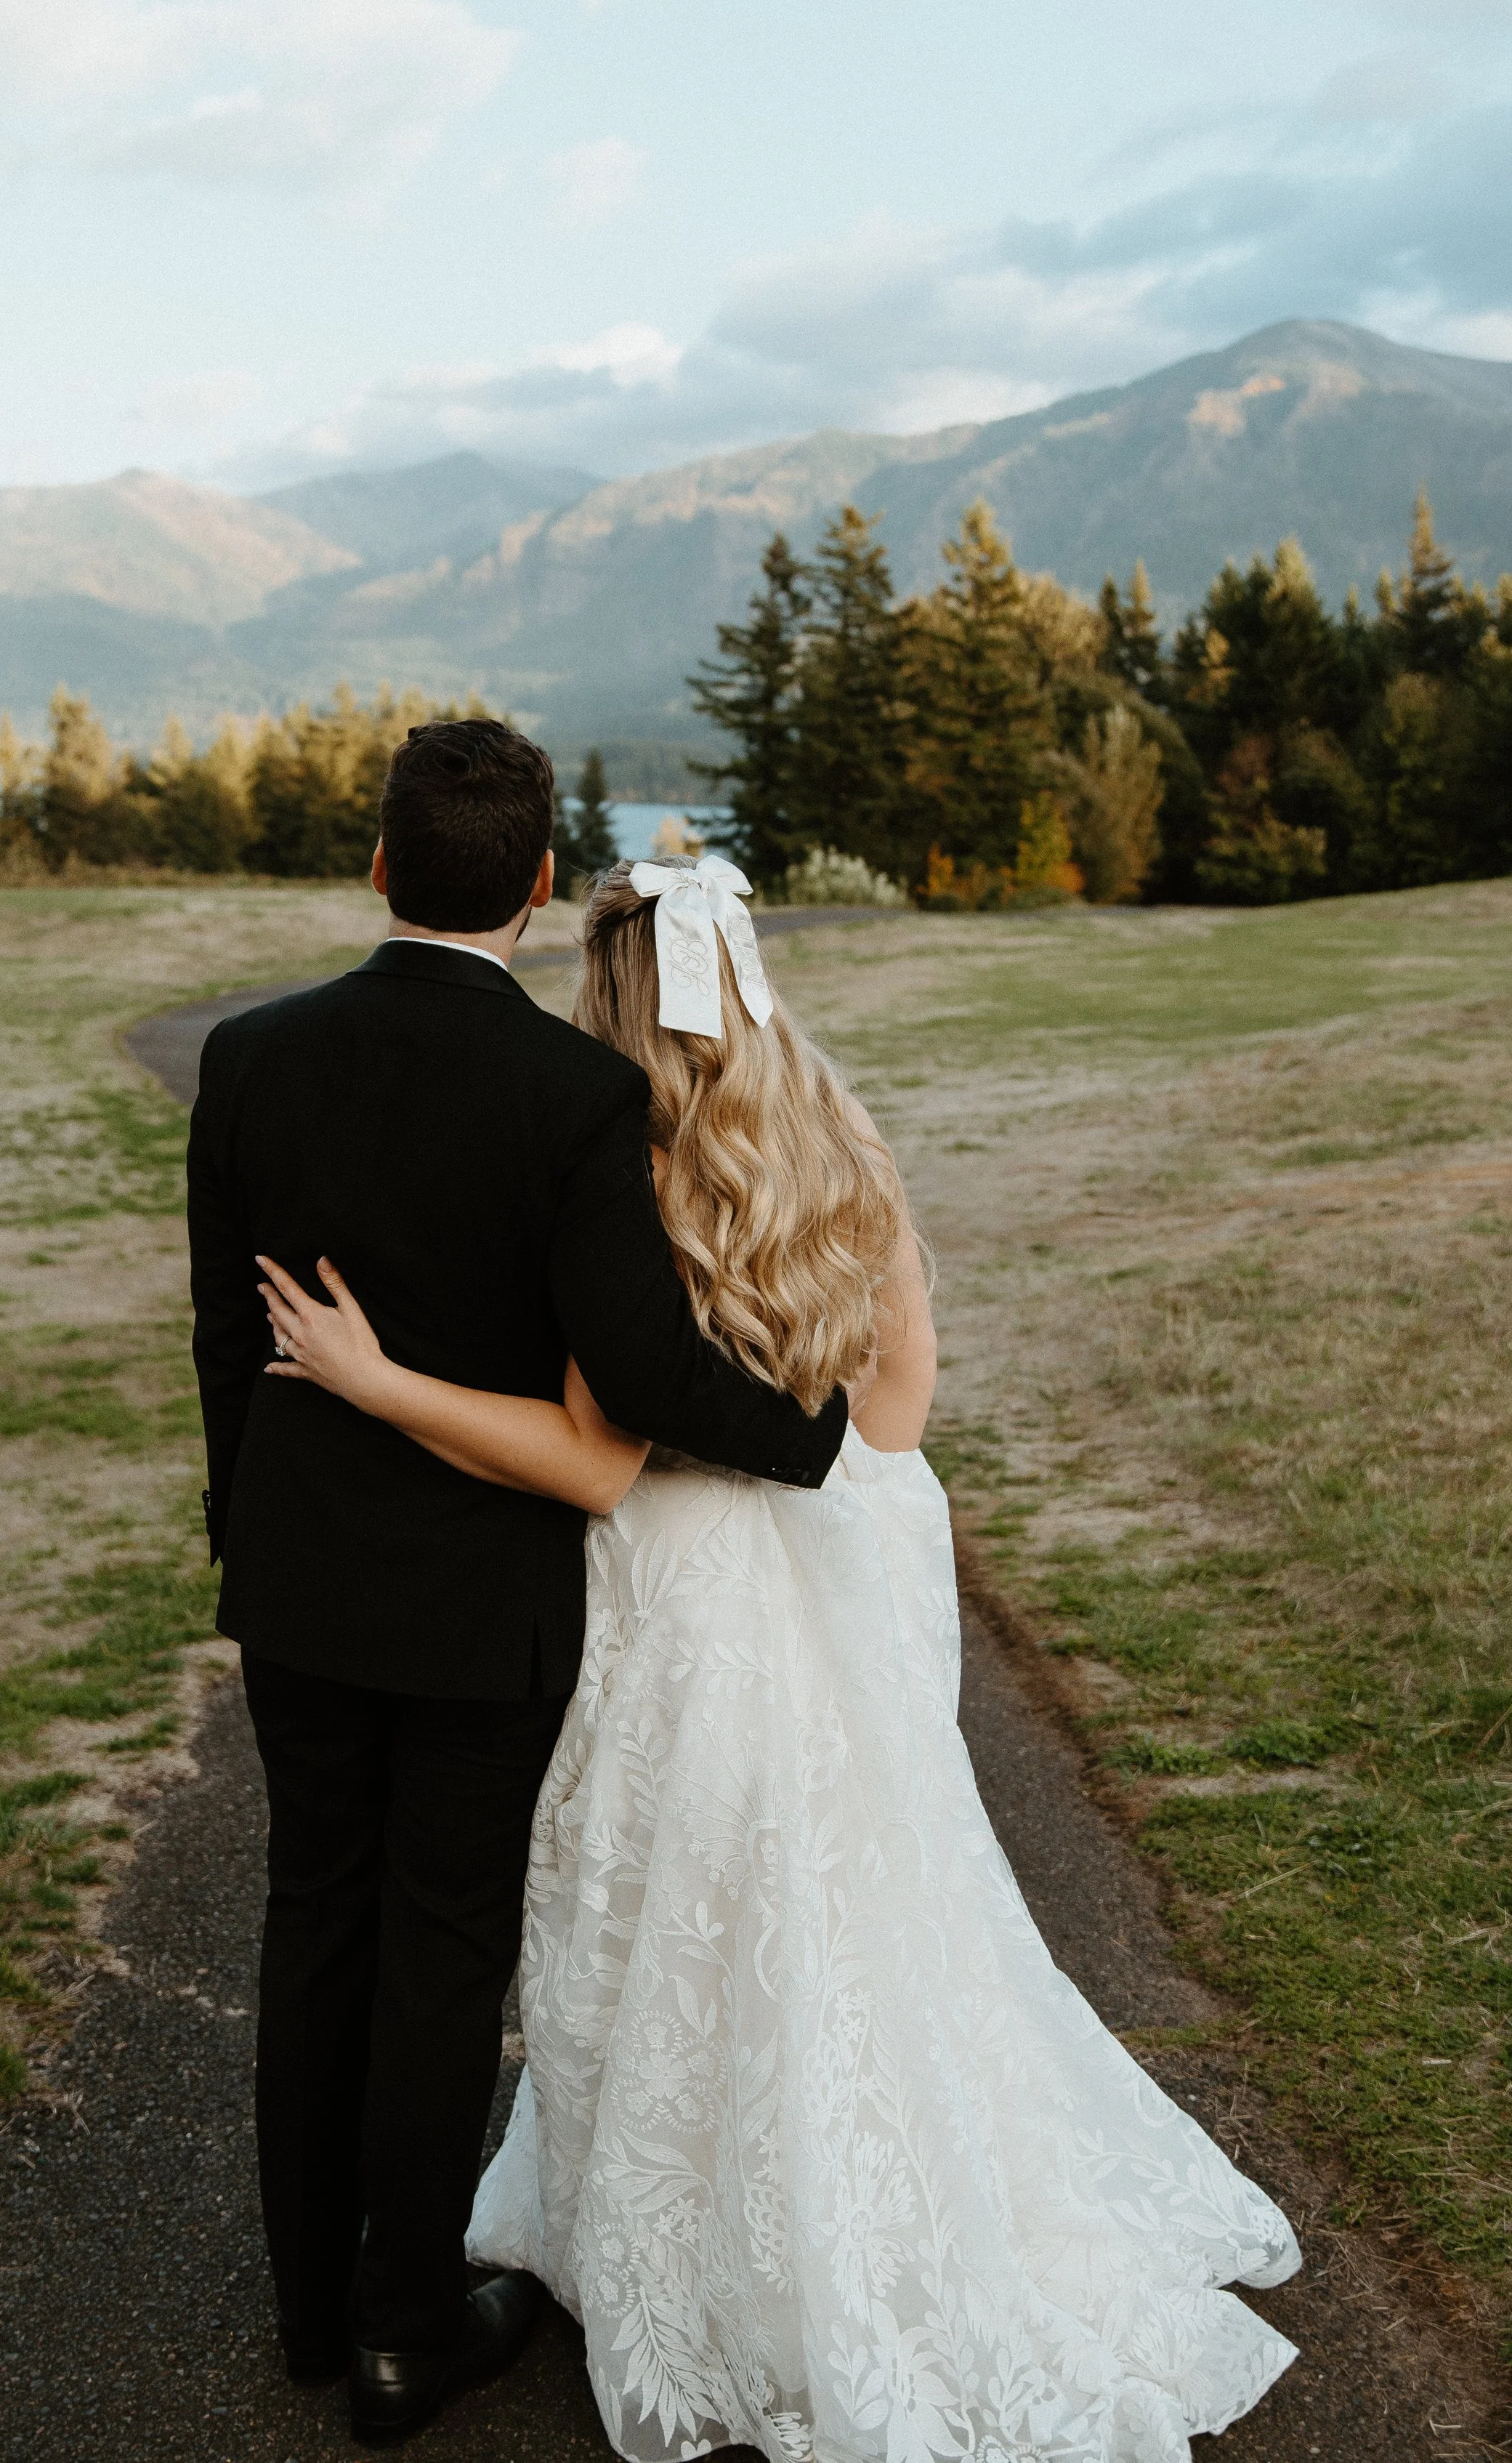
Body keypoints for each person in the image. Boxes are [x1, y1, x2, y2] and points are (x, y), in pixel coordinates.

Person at [258, 850, 1303, 2463]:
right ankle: (858, 2207)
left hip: (669, 1580)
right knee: (847, 1898)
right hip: (835, 1554)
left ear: (604, 990)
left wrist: (373, 1383)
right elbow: (894, 1407)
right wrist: (850, 1517)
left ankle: (684, 2245)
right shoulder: (836, 1135)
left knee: (665, 1905)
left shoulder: (601, 1159)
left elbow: (590, 1449)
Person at [185, 723, 849, 2449]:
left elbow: (220, 1339)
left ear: (381, 864)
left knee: (313, 1917)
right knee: (440, 1948)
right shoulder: (574, 1098)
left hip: (303, 1583)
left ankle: (305, 2311)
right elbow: (635, 1372)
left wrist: (239, 1533)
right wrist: (811, 1439)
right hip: (483, 1606)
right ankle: (405, 2326)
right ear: (540, 887)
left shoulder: (250, 1061)